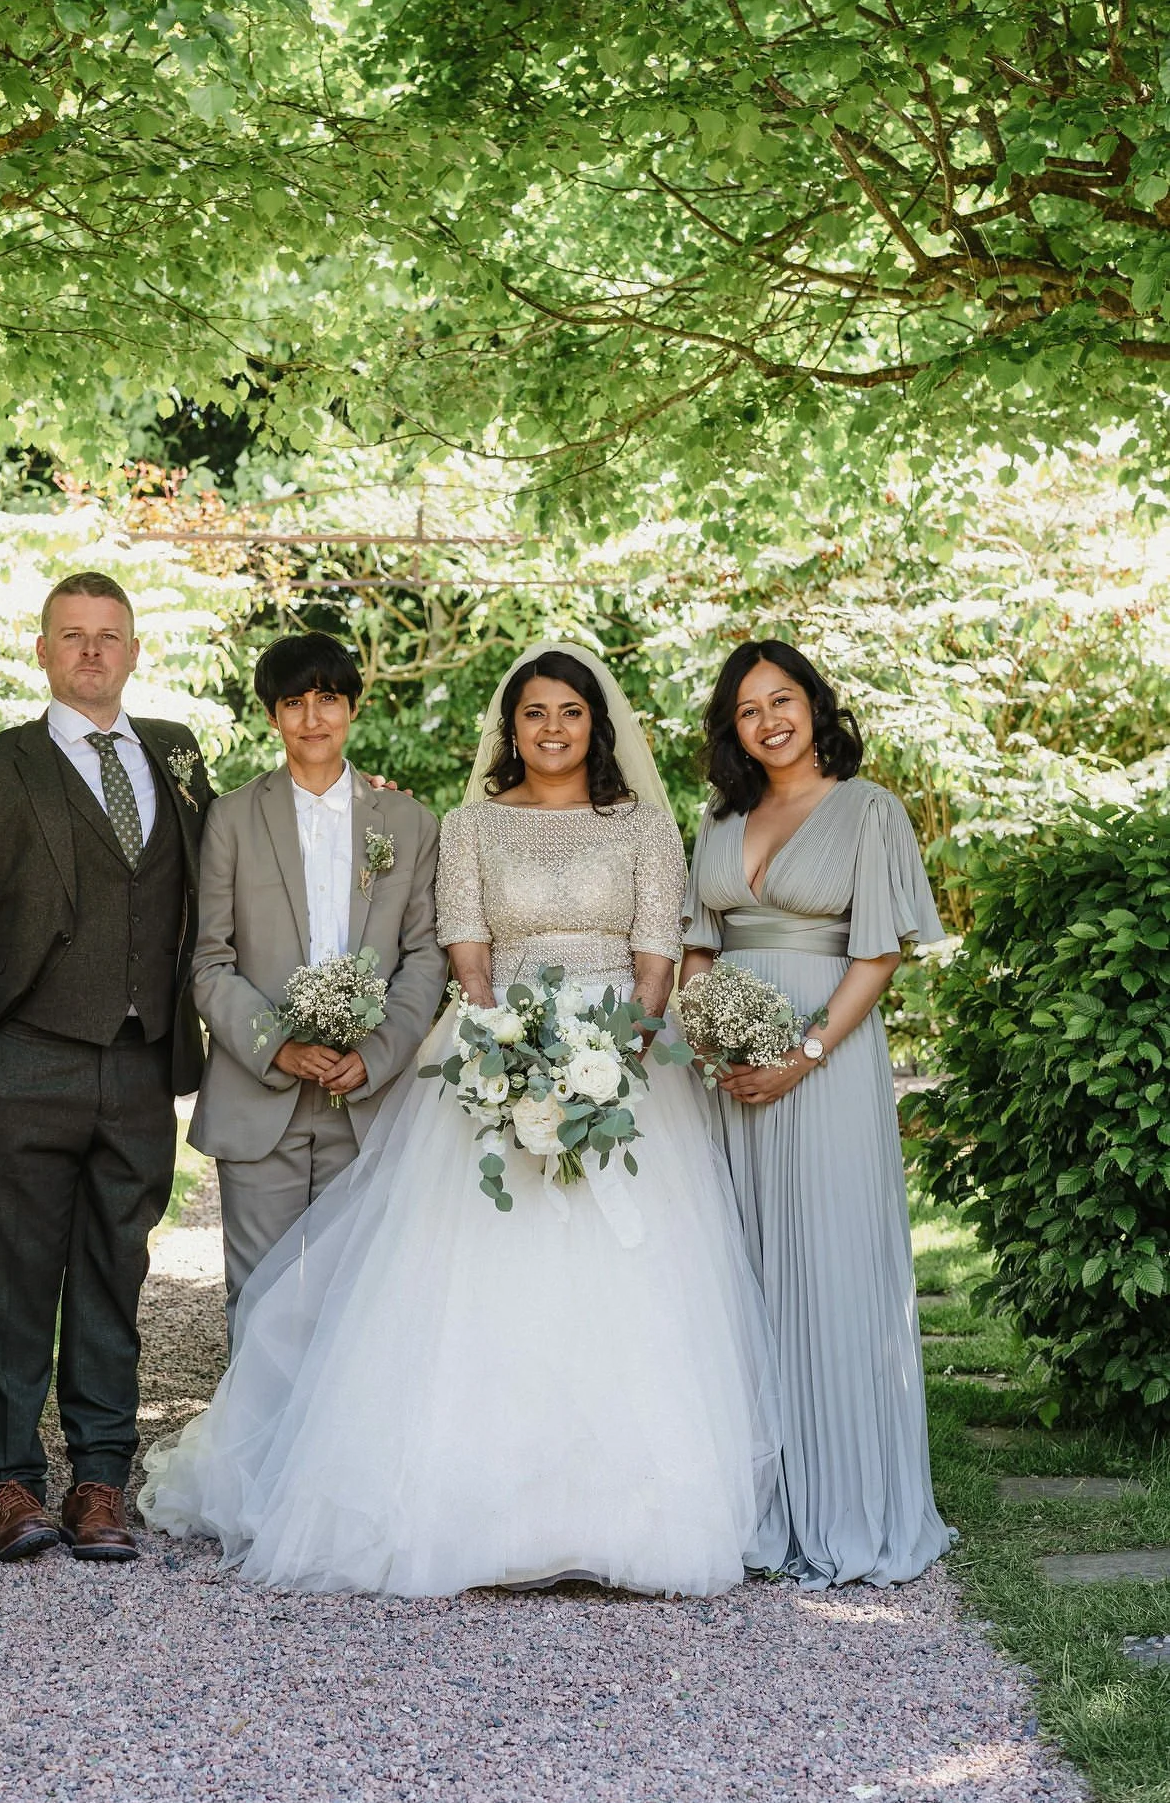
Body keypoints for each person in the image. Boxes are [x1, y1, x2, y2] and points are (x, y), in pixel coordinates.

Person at [139, 642, 785, 1597]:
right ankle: (471, 1510)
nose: (552, 729)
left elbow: (656, 959)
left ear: (595, 724)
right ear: (510, 726)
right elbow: (466, 955)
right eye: (534, 714)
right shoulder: (472, 823)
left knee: (631, 1296)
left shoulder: (645, 825)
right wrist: (511, 1056)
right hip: (496, 1052)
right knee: (469, 1293)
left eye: (570, 712)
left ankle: (625, 1518)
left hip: (625, 1066)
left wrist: (612, 1064)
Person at [0, 571, 211, 1567]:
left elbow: (232, 859)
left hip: (136, 1072)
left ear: (132, 651)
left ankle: (98, 1481)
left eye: (108, 636)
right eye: (72, 636)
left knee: (111, 1280)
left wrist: (352, 804)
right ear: (42, 651)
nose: (91, 651)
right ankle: (7, 1479)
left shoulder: (175, 756)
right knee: (14, 1282)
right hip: (22, 1063)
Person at [680, 637, 953, 1588]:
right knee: (738, 1275)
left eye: (783, 699)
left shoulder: (869, 811)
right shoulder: (721, 814)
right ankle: (757, 1500)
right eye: (749, 709)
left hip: (824, 1065)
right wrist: (712, 1038)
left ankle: (843, 1505)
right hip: (723, 1072)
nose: (770, 721)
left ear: (815, 704)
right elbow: (698, 944)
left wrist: (799, 1054)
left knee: (827, 1268)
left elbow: (876, 956)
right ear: (734, 729)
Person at [189, 630, 448, 1336]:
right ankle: (255, 1449)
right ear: (272, 716)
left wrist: (378, 1053)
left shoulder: (409, 821)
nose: (312, 717)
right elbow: (210, 960)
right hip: (259, 1088)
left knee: (357, 1304)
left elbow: (426, 956)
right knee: (260, 1298)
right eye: (294, 701)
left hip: (367, 1096)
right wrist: (278, 1047)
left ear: (353, 709)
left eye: (328, 699)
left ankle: (333, 1451)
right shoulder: (231, 819)